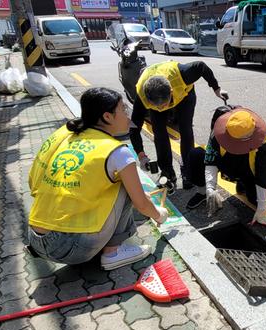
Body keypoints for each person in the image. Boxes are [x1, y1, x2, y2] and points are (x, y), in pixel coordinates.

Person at [27, 88, 170, 270]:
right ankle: (113, 253)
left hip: (35, 238)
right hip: (73, 248)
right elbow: (141, 204)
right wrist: (159, 214)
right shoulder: (116, 152)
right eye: (123, 110)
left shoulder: (64, 133)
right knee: (125, 183)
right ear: (107, 117)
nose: (128, 116)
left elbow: (32, 183)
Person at [129, 60, 225, 192]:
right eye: (157, 106)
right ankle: (167, 172)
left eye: (164, 105)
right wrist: (141, 155)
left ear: (171, 91)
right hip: (160, 94)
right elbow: (134, 128)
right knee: (159, 134)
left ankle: (187, 169)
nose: (162, 109)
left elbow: (201, 66)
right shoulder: (142, 96)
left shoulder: (183, 74)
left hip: (184, 96)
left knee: (185, 129)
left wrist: (217, 89)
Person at [185, 107, 266, 226]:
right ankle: (202, 193)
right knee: (196, 154)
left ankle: (243, 183)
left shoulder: (264, 145)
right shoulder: (218, 134)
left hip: (249, 172)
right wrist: (210, 188)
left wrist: (262, 211)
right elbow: (210, 160)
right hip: (226, 165)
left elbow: (263, 176)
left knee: (257, 201)